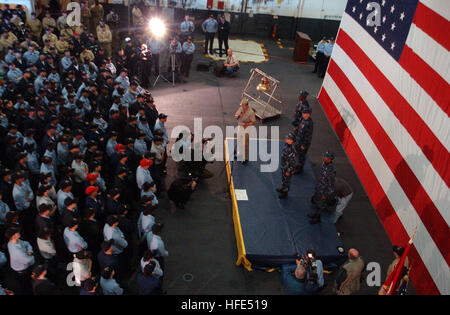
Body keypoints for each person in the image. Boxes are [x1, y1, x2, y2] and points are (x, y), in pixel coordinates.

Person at [308, 151, 336, 224]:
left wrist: (325, 194)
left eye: (326, 157)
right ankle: (315, 214)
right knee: (317, 202)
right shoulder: (324, 164)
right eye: (324, 156)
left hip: (324, 191)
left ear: (330, 159)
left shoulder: (331, 170)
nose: (324, 158)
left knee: (321, 205)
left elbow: (331, 185)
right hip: (320, 188)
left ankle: (318, 218)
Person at [234, 97, 255, 164]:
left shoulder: (251, 112)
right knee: (239, 141)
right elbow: (236, 115)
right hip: (240, 126)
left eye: (243, 105)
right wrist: (238, 115)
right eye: (241, 105)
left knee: (245, 143)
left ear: (246, 105)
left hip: (247, 127)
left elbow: (253, 122)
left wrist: (245, 124)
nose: (242, 107)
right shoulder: (241, 109)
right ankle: (239, 154)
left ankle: (245, 157)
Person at [293, 107, 313, 175]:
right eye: (303, 113)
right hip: (299, 141)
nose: (303, 114)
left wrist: (304, 145)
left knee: (301, 156)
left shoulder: (309, 123)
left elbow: (308, 136)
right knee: (297, 154)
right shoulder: (303, 120)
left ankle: (300, 169)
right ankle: (296, 165)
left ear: (308, 114)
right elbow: (300, 127)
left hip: (303, 143)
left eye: (305, 113)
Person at [277, 133, 297, 199]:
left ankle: (285, 193)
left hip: (288, 168)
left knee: (287, 181)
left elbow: (293, 162)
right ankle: (283, 188)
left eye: (288, 138)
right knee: (283, 179)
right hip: (284, 166)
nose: (286, 139)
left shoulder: (292, 150)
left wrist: (289, 171)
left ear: (291, 141)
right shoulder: (287, 145)